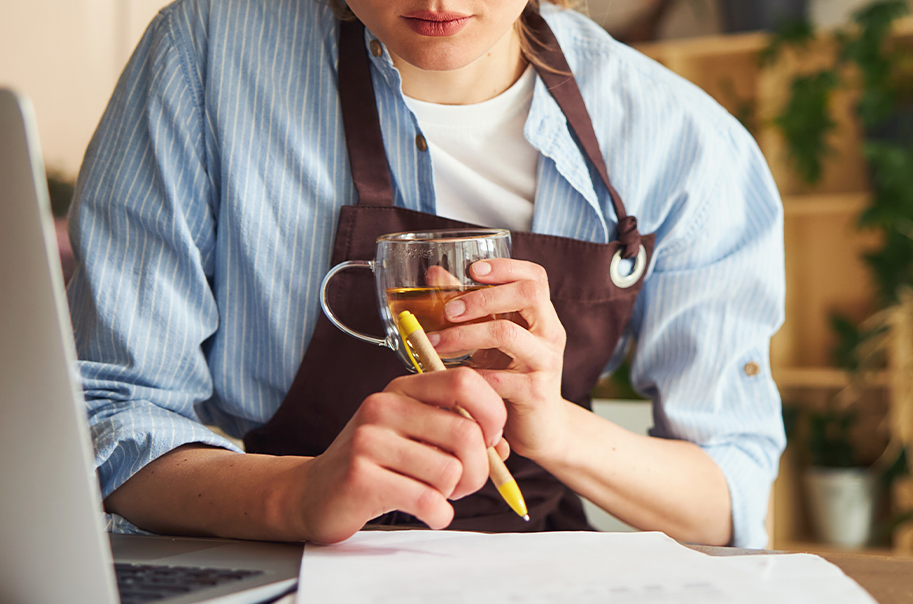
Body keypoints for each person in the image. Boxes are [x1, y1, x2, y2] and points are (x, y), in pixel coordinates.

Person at [67, 0, 786, 548]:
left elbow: (728, 495)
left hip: (542, 599)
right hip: (267, 566)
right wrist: (297, 495)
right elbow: (115, 418)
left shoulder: (685, 145)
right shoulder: (206, 56)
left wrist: (555, 429)